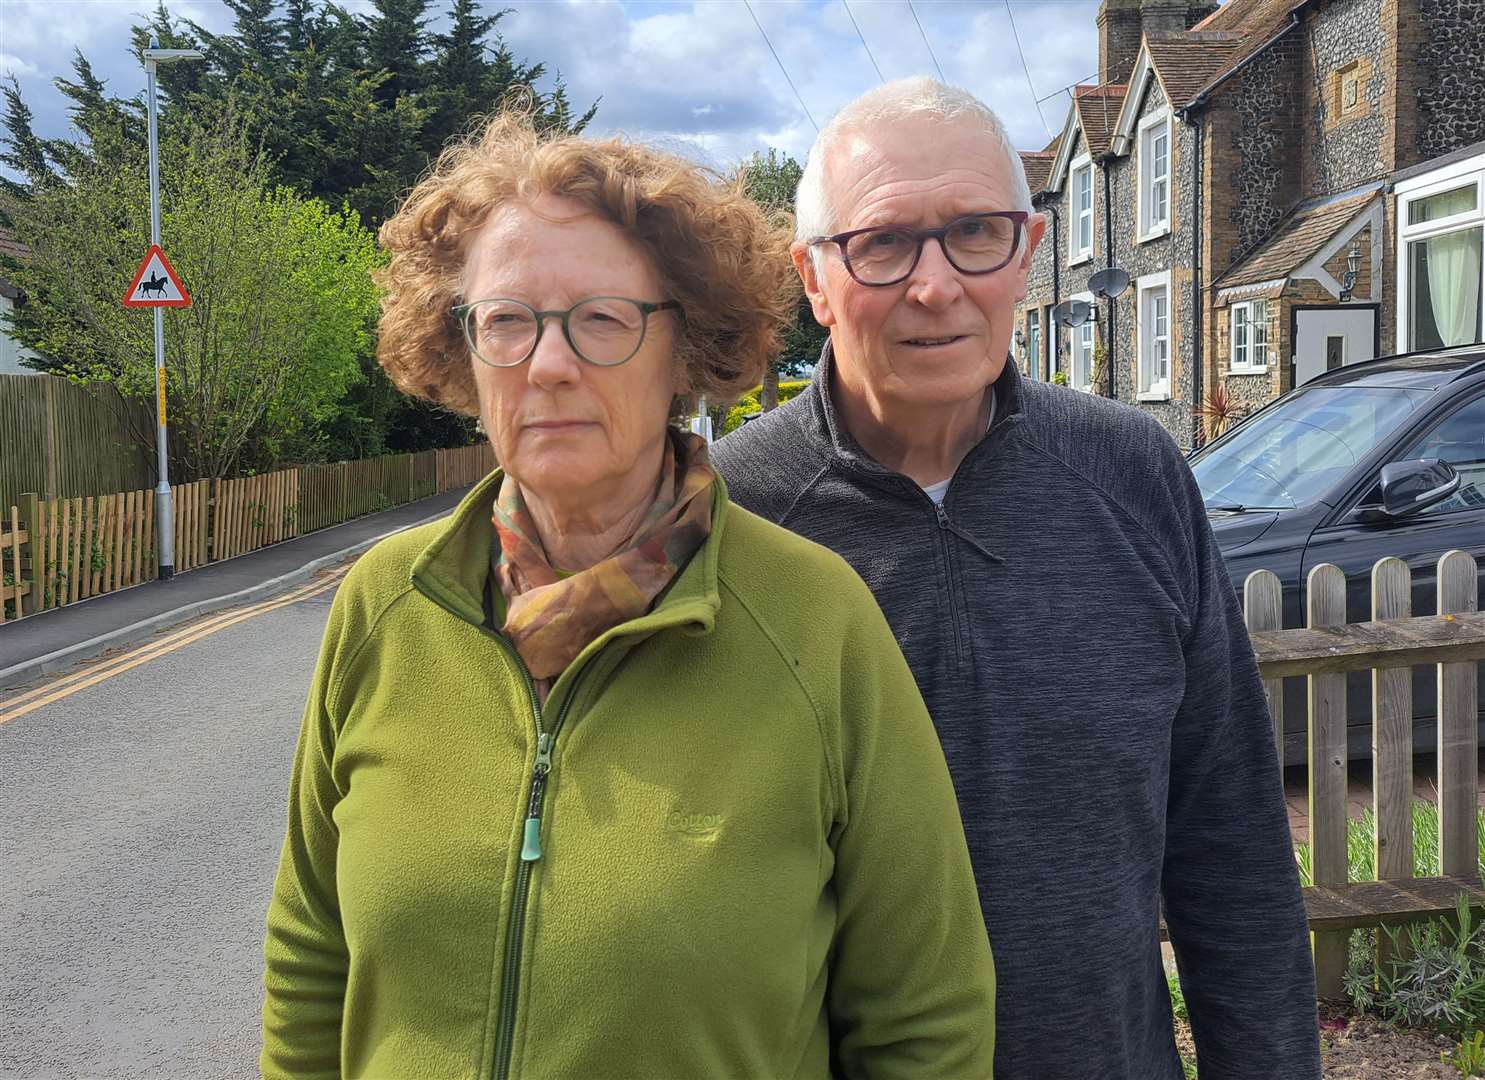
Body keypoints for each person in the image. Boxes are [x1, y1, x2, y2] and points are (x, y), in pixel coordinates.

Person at [259, 110, 997, 1080]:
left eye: (602, 319)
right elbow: (314, 953)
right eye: (508, 321)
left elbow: (924, 1017)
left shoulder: (816, 623)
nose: (549, 364)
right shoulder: (385, 605)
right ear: (462, 353)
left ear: (684, 354)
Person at [713, 77, 1320, 1080]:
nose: (936, 283)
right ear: (813, 280)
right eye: (883, 242)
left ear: (1028, 252)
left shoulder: (1134, 474)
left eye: (975, 233)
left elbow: (1231, 845)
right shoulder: (730, 517)